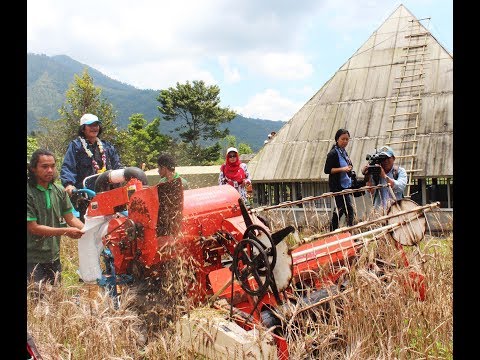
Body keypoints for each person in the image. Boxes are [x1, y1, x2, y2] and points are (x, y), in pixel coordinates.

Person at [27, 149, 85, 285]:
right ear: (33, 169)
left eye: (52, 166)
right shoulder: (29, 193)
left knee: (55, 299)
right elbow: (33, 228)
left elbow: (70, 218)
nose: (50, 170)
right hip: (31, 258)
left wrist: (89, 230)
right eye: (44, 166)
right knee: (37, 300)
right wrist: (66, 231)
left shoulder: (59, 190)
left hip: (53, 256)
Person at [60, 113, 122, 221]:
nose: (94, 128)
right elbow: (68, 166)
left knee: (113, 224)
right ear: (83, 129)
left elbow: (117, 165)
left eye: (96, 125)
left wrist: (123, 176)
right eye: (90, 125)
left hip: (109, 192)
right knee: (90, 225)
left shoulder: (107, 146)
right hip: (87, 194)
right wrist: (69, 184)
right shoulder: (76, 146)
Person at [324, 129, 356, 231]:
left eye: (347, 139)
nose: (345, 141)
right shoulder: (333, 153)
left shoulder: (344, 152)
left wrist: (349, 168)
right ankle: (348, 232)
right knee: (347, 209)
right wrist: (343, 169)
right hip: (337, 186)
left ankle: (334, 231)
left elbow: (348, 165)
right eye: (343, 139)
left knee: (341, 209)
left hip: (345, 185)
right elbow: (327, 170)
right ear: (337, 139)